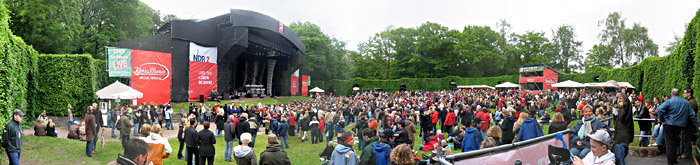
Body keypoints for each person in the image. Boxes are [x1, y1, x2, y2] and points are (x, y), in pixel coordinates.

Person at [658, 88, 699, 165]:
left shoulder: (669, 101)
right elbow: (692, 114)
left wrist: (662, 119)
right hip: (680, 125)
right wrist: (696, 123)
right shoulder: (686, 103)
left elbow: (660, 109)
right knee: (675, 142)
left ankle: (671, 162)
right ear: (679, 94)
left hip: (669, 124)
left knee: (669, 143)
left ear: (671, 94)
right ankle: (674, 159)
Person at [613, 92, 634, 165]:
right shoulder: (626, 106)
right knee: (622, 151)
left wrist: (621, 108)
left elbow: (622, 118)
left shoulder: (625, 107)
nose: (620, 100)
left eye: (621, 98)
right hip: (624, 133)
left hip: (623, 135)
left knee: (620, 156)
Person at [680, 88, 697, 159]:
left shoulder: (692, 102)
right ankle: (685, 153)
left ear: (689, 94)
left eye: (685, 93)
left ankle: (687, 154)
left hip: (689, 125)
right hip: (687, 124)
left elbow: (689, 114)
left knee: (686, 139)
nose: (683, 94)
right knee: (684, 138)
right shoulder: (689, 101)